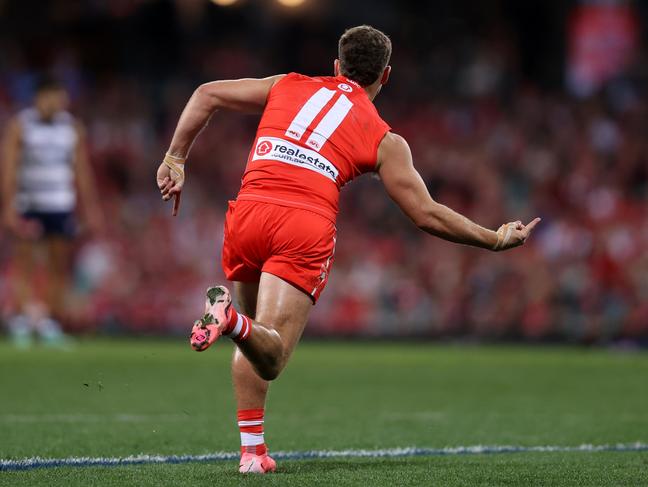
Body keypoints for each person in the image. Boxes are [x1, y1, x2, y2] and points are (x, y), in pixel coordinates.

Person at [156, 25, 540, 474]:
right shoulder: (384, 138)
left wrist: (175, 157)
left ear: (336, 66)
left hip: (248, 211)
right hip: (302, 224)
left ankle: (252, 453)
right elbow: (426, 213)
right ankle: (231, 319)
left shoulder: (288, 84)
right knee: (273, 352)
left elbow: (207, 94)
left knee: (255, 337)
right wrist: (493, 238)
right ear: (386, 76)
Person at [1, 76, 102, 348]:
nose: (53, 102)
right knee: (25, 264)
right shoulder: (21, 125)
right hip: (29, 202)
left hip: (60, 203)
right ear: (37, 98)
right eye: (48, 97)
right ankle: (22, 321)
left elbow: (81, 171)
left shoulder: (72, 128)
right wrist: (8, 206)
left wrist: (90, 208)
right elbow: (9, 167)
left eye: (58, 97)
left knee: (58, 266)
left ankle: (49, 322)